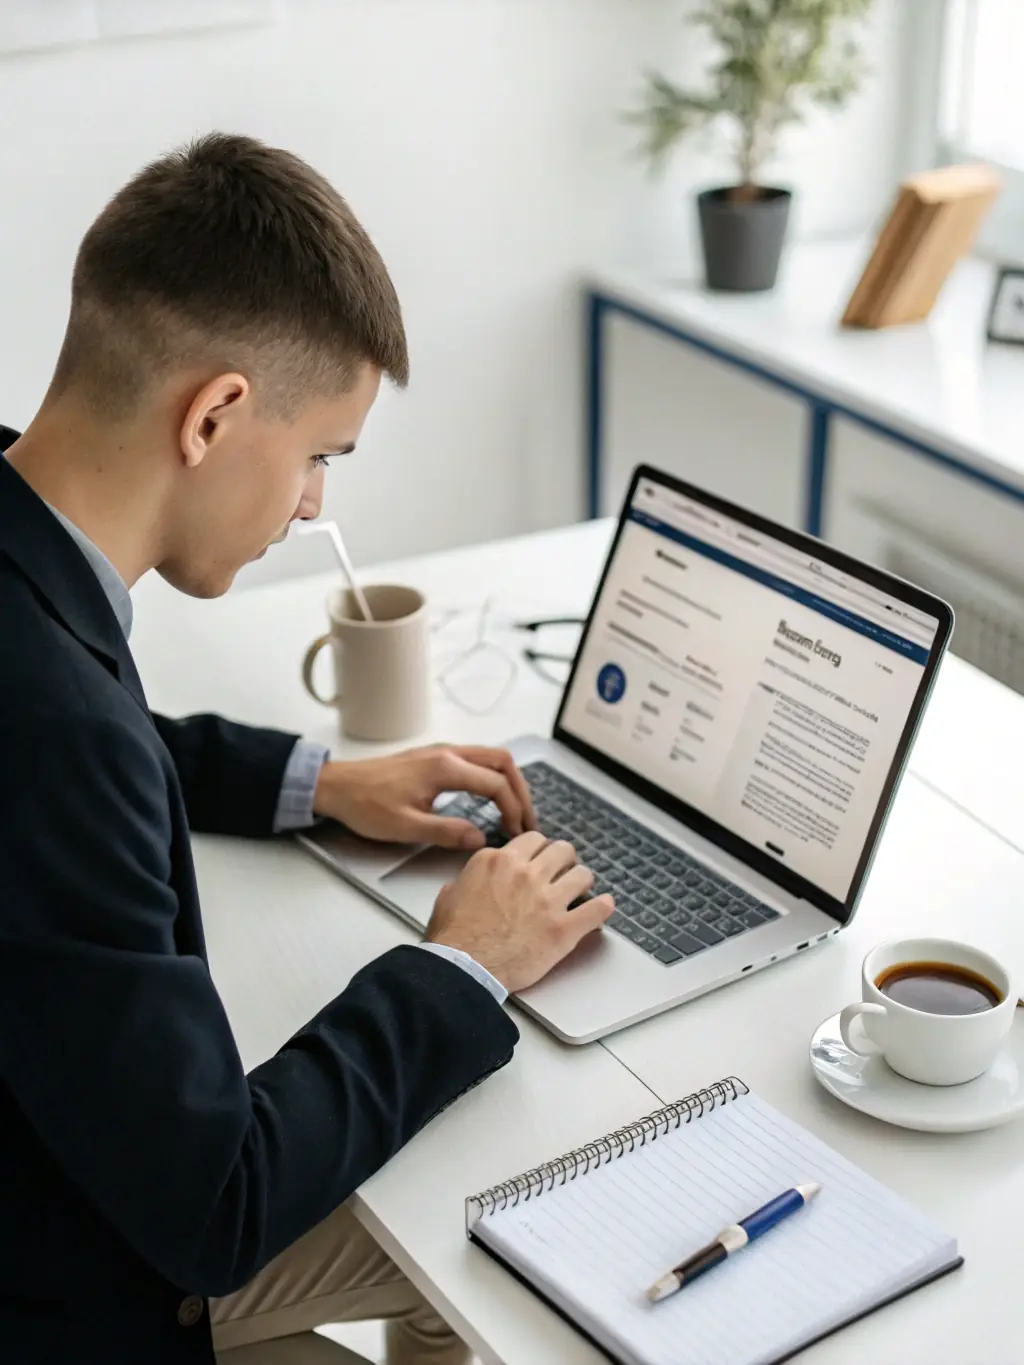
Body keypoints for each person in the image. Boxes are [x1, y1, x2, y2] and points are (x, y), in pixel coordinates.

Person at [0, 133, 613, 1365]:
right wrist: (461, 966)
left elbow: (89, 747)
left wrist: (319, 781)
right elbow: (214, 1202)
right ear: (217, 413)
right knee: (488, 1231)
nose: (313, 506)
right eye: (321, 455)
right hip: (74, 1283)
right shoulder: (55, 734)